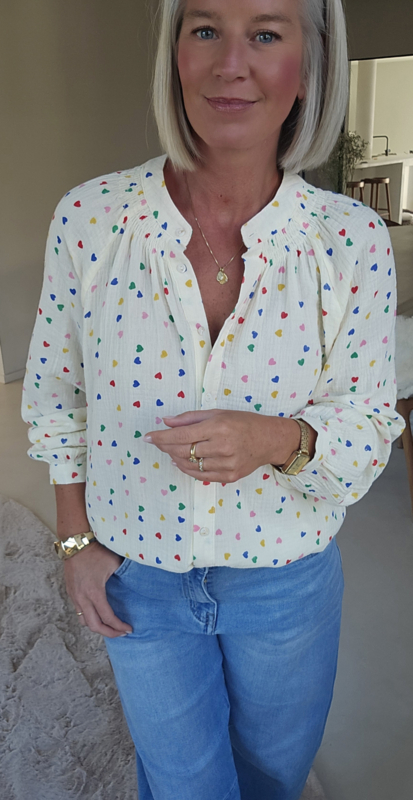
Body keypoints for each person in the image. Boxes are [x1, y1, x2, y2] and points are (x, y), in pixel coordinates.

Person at [21, 0, 405, 798]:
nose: (232, 63)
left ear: (308, 66)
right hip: (138, 571)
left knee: (269, 777)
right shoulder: (91, 219)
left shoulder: (349, 240)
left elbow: (371, 426)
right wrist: (74, 543)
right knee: (182, 782)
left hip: (284, 583)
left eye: (265, 33)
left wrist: (277, 440)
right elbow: (59, 393)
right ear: (176, 54)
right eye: (205, 30)